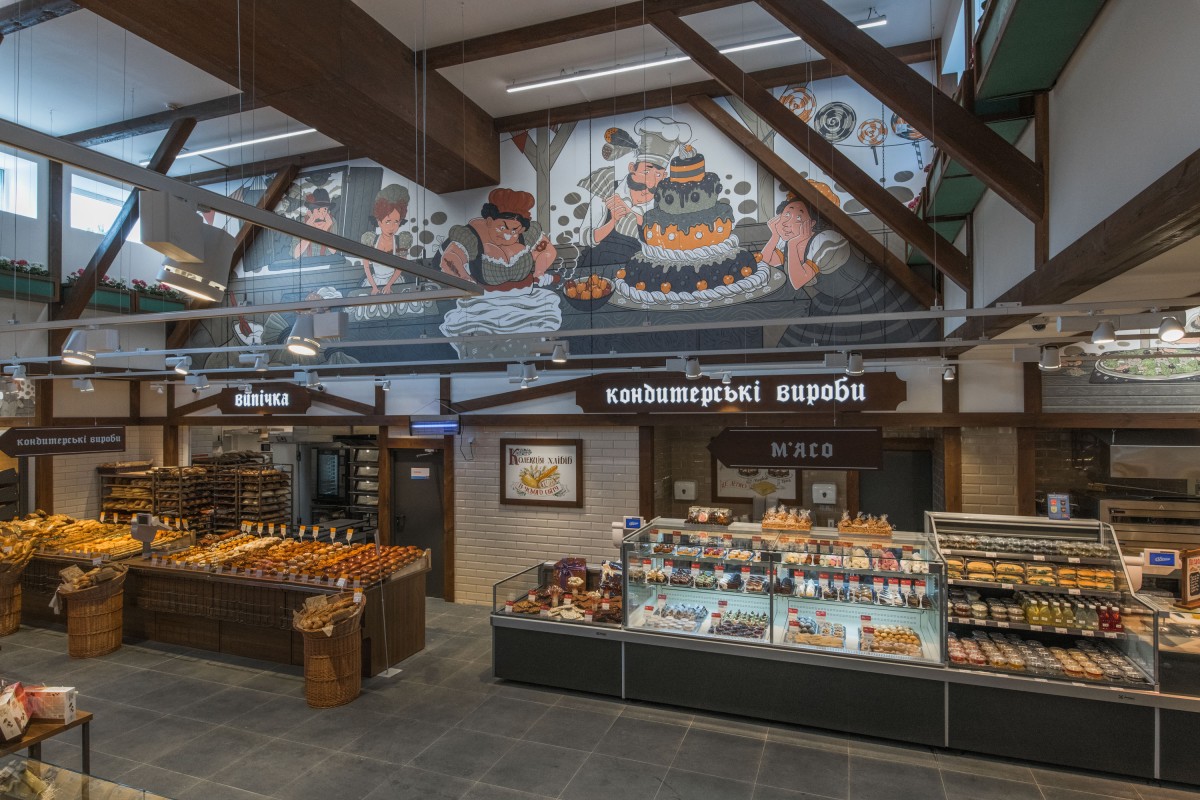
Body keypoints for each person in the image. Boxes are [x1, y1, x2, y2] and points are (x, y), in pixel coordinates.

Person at [763, 187, 934, 345]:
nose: (787, 222)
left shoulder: (825, 241)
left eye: (798, 217)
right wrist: (774, 236)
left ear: (812, 223)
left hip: (863, 292)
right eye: (786, 215)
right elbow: (767, 259)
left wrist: (793, 244)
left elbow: (797, 281)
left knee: (870, 337)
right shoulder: (789, 243)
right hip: (832, 297)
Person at [576, 117, 687, 275]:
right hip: (596, 267)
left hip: (639, 270)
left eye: (658, 175)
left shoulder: (664, 204)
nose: (650, 181)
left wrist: (633, 215)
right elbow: (585, 237)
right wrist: (613, 220)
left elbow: (665, 244)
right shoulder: (607, 190)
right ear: (632, 168)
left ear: (664, 177)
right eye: (646, 171)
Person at [439, 188, 556, 290]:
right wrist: (465, 280)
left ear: (521, 229)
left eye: (514, 230)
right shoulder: (471, 236)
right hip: (482, 302)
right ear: (490, 221)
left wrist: (539, 272)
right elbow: (450, 259)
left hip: (525, 297)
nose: (507, 236)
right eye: (502, 228)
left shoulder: (526, 236)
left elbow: (547, 250)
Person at [360, 184, 413, 294]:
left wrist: (389, 285)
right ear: (379, 222)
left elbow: (400, 268)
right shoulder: (370, 240)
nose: (392, 227)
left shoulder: (401, 241)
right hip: (373, 281)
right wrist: (374, 287)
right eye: (388, 222)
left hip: (395, 281)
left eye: (396, 222)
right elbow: (366, 267)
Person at [292, 188, 338, 258]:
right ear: (311, 211)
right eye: (318, 210)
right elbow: (295, 254)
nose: (321, 216)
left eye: (325, 210)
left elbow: (334, 251)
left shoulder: (331, 222)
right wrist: (309, 231)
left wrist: (325, 229)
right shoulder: (301, 222)